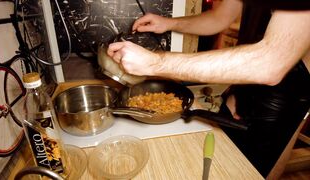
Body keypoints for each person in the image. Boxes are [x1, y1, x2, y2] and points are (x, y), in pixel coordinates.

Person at [107, 0, 310, 177]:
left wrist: (156, 63)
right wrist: (168, 23)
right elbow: (220, 17)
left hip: (286, 91)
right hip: (243, 80)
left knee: (253, 172)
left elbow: (270, 63)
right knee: (224, 160)